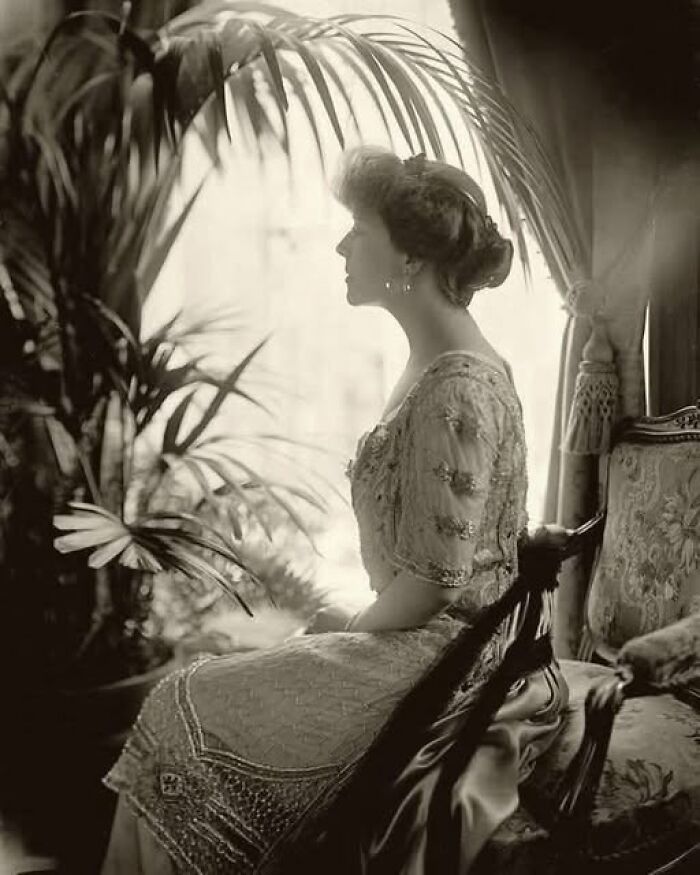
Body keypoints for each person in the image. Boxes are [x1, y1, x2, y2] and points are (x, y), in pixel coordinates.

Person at [100, 147, 568, 874]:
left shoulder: (458, 386)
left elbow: (438, 584)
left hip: (442, 657)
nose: (342, 245)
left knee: (184, 705)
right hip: (419, 634)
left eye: (359, 228)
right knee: (182, 701)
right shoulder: (437, 363)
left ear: (409, 255)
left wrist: (346, 625)